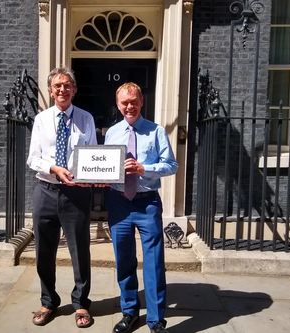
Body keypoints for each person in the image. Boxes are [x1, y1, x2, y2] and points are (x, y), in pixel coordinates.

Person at [104, 82, 178, 333]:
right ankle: (129, 312)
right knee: (123, 259)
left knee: (154, 262)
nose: (129, 106)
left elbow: (171, 165)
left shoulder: (156, 132)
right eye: (124, 102)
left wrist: (144, 169)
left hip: (147, 203)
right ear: (118, 104)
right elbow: (104, 166)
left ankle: (156, 320)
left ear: (141, 102)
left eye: (134, 101)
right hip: (118, 203)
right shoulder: (112, 133)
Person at [27, 66, 97, 328]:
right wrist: (53, 168)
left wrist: (92, 175)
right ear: (50, 90)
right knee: (44, 250)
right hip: (45, 191)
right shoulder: (42, 120)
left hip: (77, 193)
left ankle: (81, 304)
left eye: (67, 85)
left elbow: (91, 154)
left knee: (80, 250)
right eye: (57, 85)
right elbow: (33, 158)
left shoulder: (86, 119)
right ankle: (48, 301)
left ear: (74, 90)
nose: (62, 90)